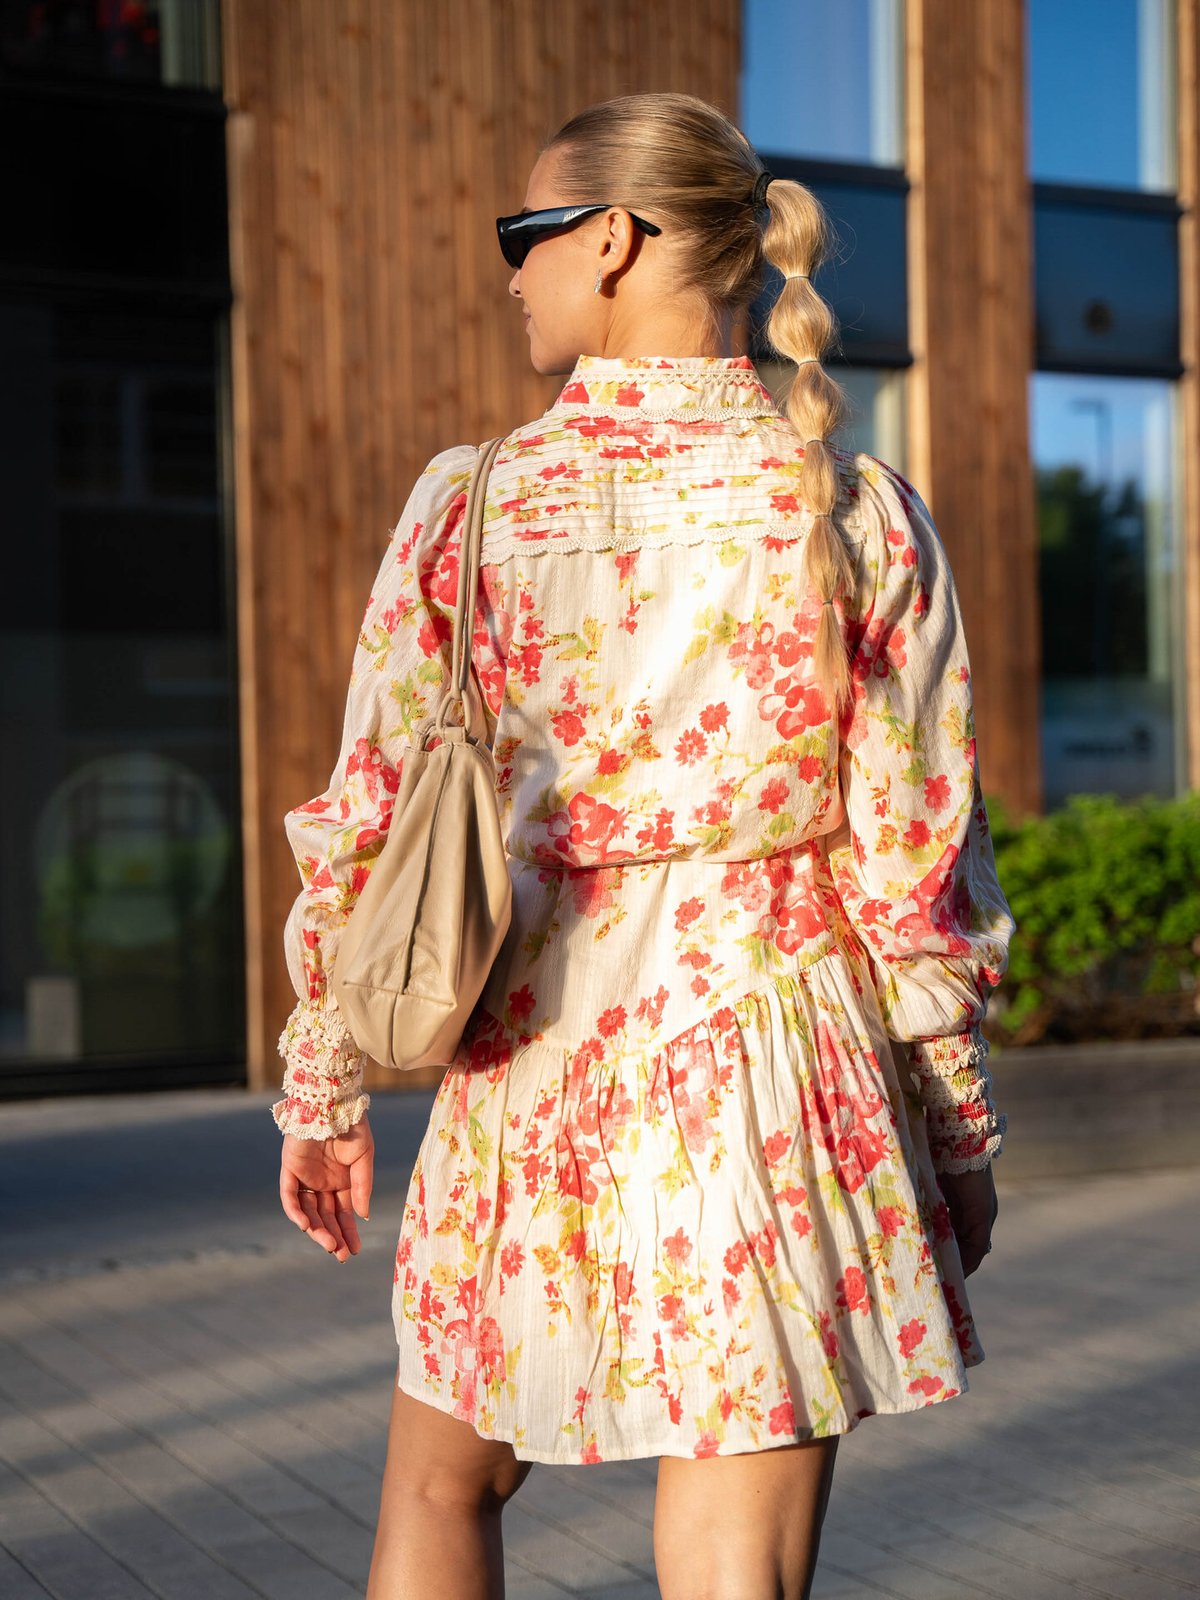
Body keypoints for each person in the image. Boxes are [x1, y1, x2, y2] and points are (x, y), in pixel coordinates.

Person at [271, 91, 1016, 1600]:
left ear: (611, 240)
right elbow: (915, 860)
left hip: (528, 1054)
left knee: (438, 1484)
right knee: (733, 1556)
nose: (510, 273)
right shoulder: (853, 508)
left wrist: (324, 1081)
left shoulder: (466, 507)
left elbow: (367, 822)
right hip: (774, 1060)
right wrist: (955, 1125)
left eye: (521, 236)